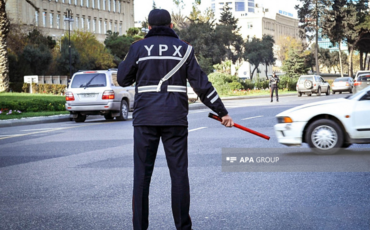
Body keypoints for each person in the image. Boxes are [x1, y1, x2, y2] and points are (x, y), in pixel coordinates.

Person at [117, 9, 234, 230]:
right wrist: (222, 112)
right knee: (179, 174)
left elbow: (123, 79)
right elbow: (202, 85)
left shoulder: (138, 48)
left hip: (145, 120)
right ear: (171, 26)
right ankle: (183, 227)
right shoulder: (185, 49)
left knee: (142, 177)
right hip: (175, 119)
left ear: (148, 27)